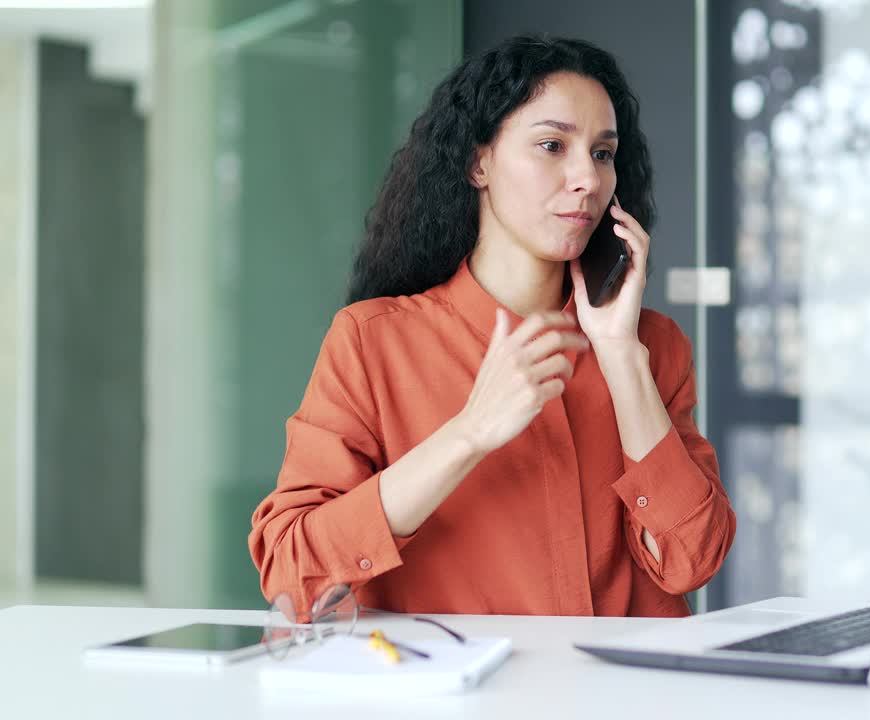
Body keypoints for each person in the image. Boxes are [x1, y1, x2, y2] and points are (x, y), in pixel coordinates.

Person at [248, 35, 736, 618]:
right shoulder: (372, 341)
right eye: (553, 145)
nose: (587, 177)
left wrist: (619, 354)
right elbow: (292, 574)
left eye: (603, 153)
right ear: (479, 162)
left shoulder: (653, 347)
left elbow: (693, 559)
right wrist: (468, 433)